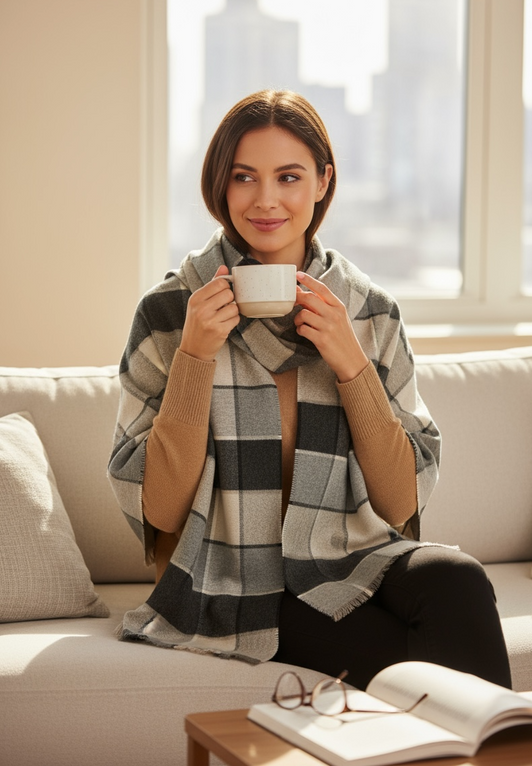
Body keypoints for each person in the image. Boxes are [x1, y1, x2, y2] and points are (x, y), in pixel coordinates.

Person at [108, 89, 511, 690]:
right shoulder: (171, 312)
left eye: (288, 176)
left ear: (323, 182)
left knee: (458, 579)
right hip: (230, 573)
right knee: (408, 657)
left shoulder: (368, 312)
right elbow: (159, 509)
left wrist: (351, 363)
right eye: (244, 177)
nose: (265, 200)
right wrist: (195, 355)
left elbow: (401, 502)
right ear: (220, 185)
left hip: (351, 555)